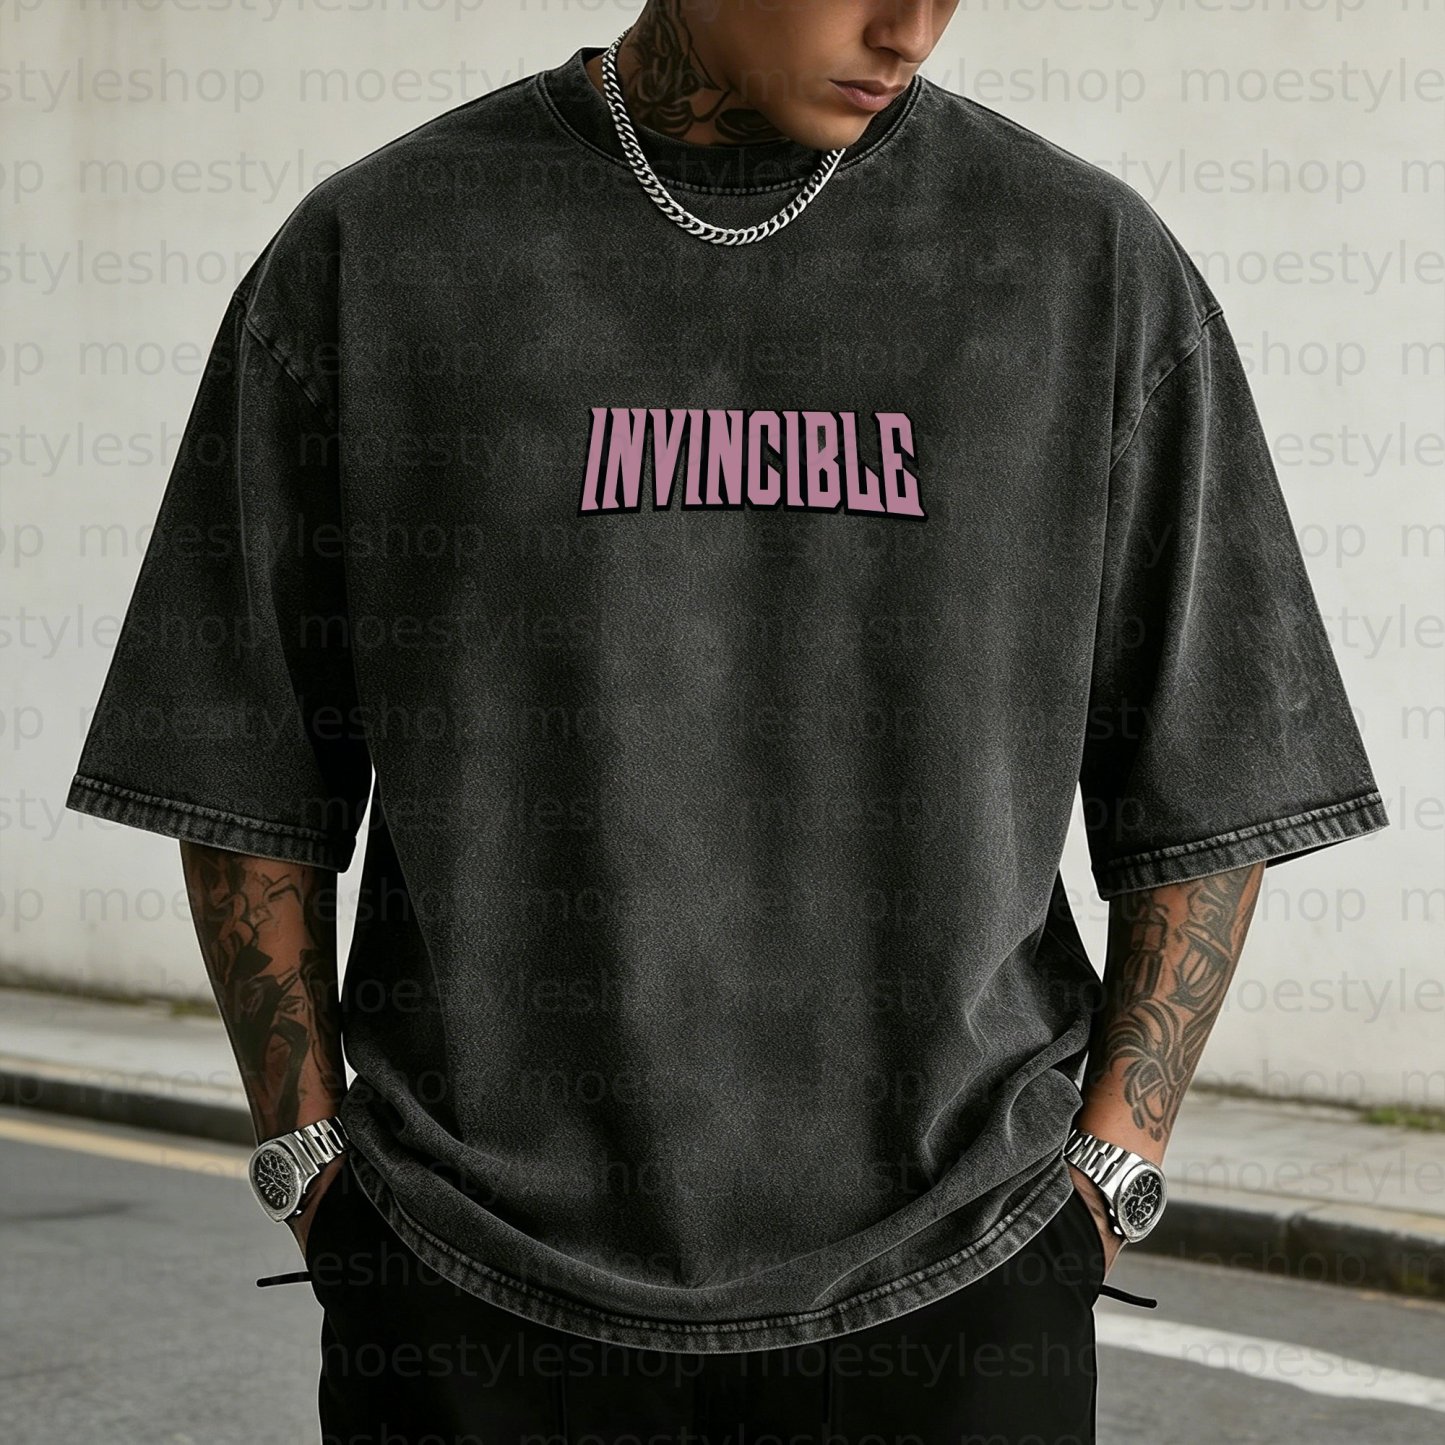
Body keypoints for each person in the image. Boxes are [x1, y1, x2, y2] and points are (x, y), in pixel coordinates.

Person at [65, 2, 1391, 1441]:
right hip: (469, 1291)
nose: (909, 27)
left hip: (959, 1281)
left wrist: (1109, 1177)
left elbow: (1212, 777)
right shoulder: (379, 252)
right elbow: (242, 770)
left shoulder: (1080, 265)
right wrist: (310, 1162)